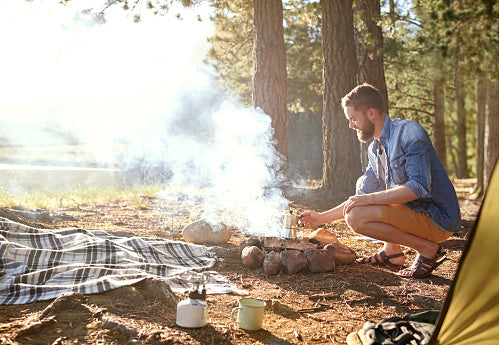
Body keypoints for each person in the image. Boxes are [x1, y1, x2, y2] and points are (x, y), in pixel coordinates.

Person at [300, 83, 461, 278]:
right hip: (412, 213)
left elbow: (418, 187)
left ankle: (428, 249)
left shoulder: (409, 132)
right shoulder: (375, 149)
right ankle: (392, 251)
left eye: (353, 119)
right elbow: (359, 198)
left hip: (436, 219)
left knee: (356, 216)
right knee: (362, 185)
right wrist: (321, 218)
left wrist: (367, 200)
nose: (351, 125)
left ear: (371, 113)